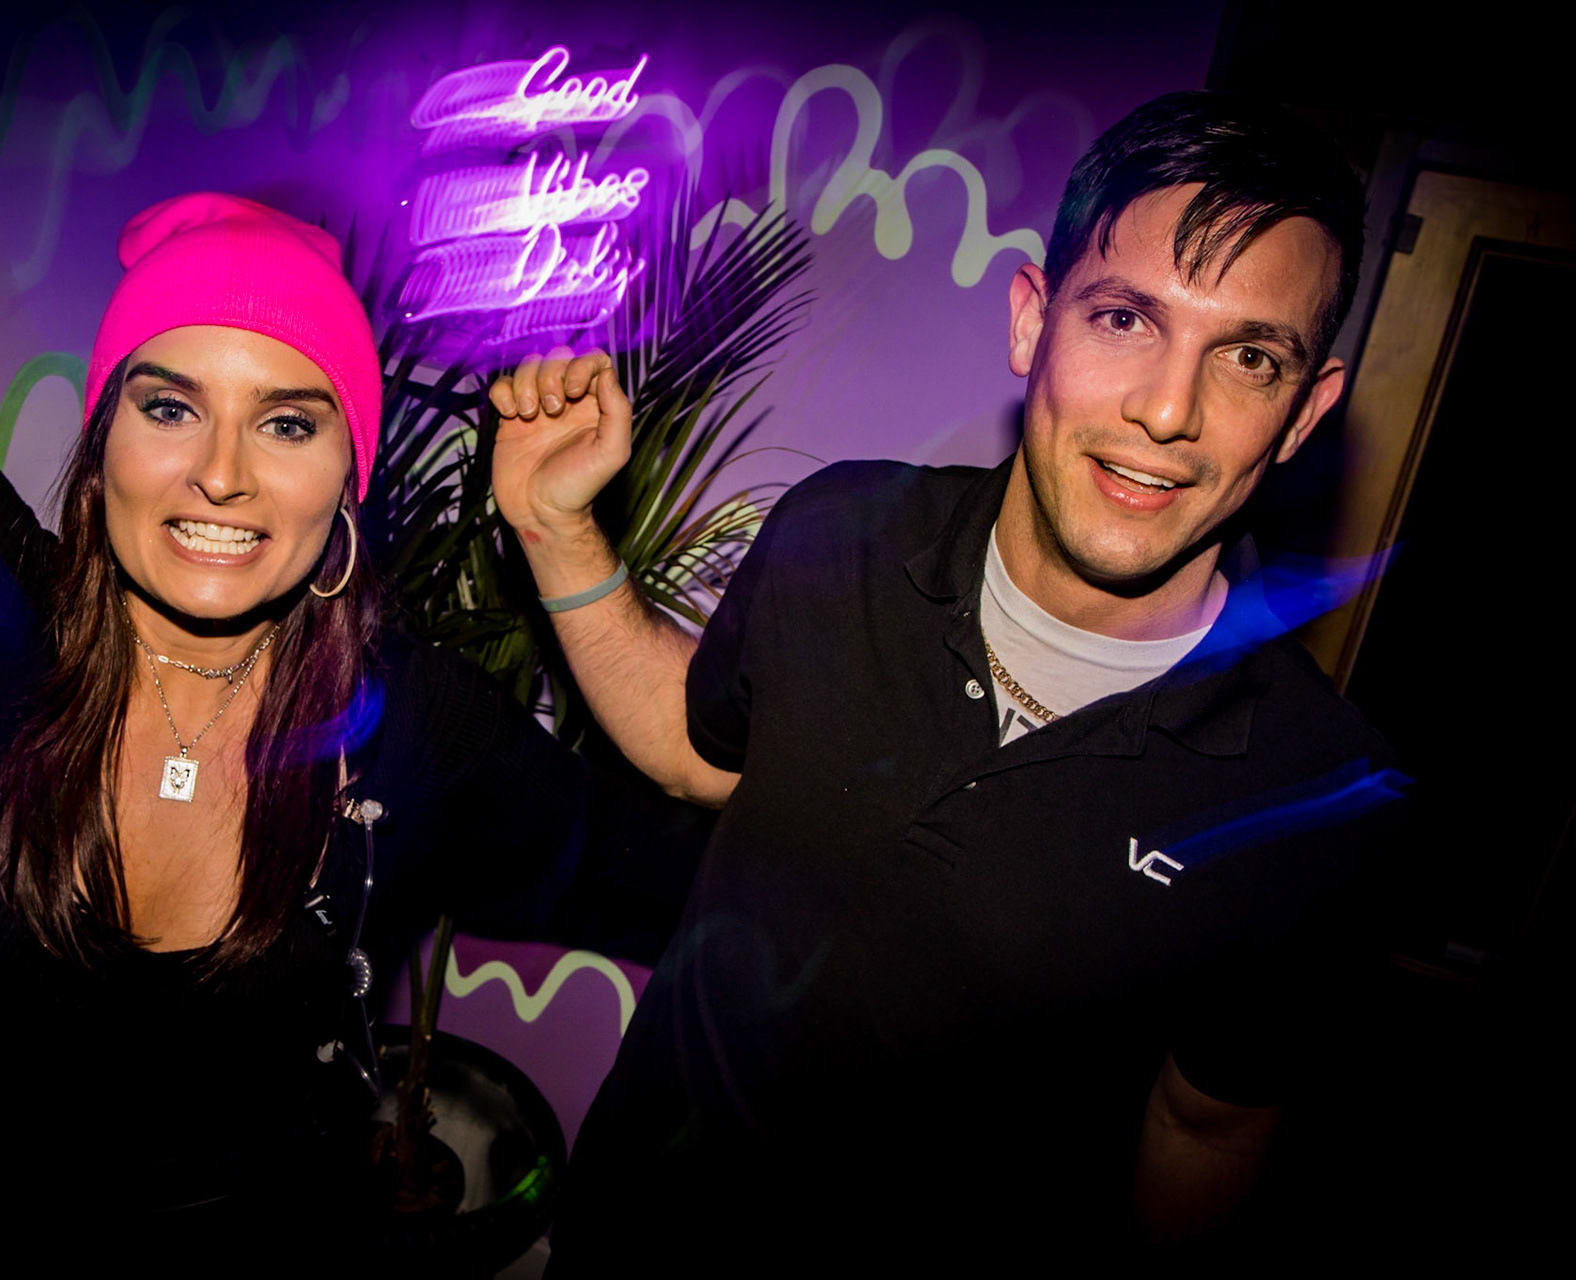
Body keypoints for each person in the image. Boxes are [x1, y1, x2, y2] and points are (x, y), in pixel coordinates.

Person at [0, 23, 608, 1251]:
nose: (220, 472)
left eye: (287, 422)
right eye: (170, 406)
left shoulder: (408, 722)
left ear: (347, 481)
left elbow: (692, 856)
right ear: (103, 444)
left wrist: (563, 541)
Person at [490, 92, 1405, 1265]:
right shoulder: (842, 532)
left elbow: (1205, 1123)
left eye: (1248, 356)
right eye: (1124, 317)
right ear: (1032, 321)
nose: (1169, 410)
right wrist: (559, 530)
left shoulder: (1317, 793)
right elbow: (697, 747)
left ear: (1304, 411)